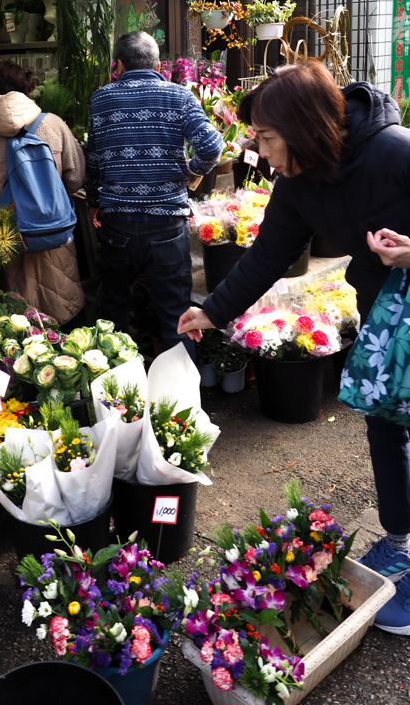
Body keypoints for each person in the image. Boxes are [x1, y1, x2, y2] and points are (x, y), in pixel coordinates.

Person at [177, 59, 410, 635]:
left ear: (303, 128)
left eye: (266, 136)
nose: (260, 148)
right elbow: (266, 255)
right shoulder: (298, 182)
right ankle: (401, 542)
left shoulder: (395, 153)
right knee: (384, 425)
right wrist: (211, 310)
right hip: (386, 325)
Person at [85, 30, 223, 352]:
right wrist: (192, 171)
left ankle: (115, 394)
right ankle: (178, 399)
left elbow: (92, 160)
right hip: (166, 226)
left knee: (114, 312)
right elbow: (212, 146)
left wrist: (93, 202)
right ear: (158, 63)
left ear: (117, 64)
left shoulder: (101, 99)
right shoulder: (178, 96)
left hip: (117, 223)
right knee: (177, 315)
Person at [0, 60, 85, 324]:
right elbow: (76, 178)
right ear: (27, 88)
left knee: (13, 328)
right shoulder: (54, 125)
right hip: (55, 239)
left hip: (5, 245)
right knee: (65, 328)